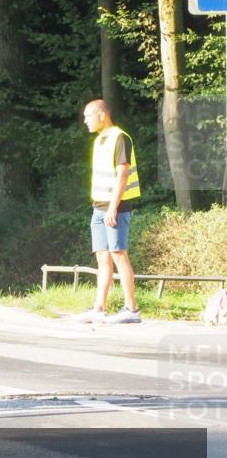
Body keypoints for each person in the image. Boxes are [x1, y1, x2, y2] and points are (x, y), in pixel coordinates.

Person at [73, 99, 142, 324]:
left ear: (102, 115)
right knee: (103, 257)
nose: (85, 121)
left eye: (88, 116)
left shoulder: (119, 137)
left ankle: (132, 310)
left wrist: (113, 207)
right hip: (99, 207)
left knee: (119, 255)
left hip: (116, 208)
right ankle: (99, 308)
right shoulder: (99, 140)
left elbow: (123, 174)